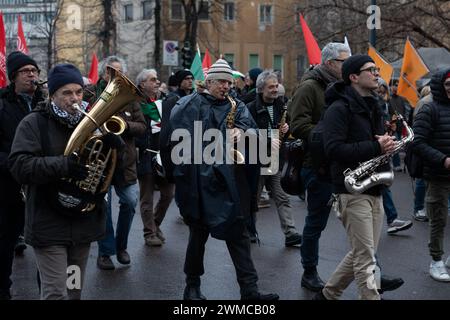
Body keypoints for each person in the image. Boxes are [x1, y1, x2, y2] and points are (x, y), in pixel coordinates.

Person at [166, 59, 279, 300]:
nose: (227, 86)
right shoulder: (188, 105)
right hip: (200, 183)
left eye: (229, 82)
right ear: (208, 82)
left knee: (238, 236)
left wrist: (243, 132)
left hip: (230, 182)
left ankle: (250, 290)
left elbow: (254, 132)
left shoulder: (236, 105)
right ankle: (192, 287)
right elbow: (179, 144)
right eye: (221, 82)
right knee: (198, 237)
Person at [8, 64, 106, 299]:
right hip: (49, 224)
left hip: (82, 223)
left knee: (73, 291)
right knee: (55, 293)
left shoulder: (92, 123)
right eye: (66, 93)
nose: (74, 99)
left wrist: (116, 151)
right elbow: (19, 166)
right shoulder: (34, 123)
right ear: (53, 95)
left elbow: (107, 172)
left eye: (79, 92)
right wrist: (63, 165)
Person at [316, 54, 396, 300]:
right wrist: (376, 147)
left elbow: (374, 144)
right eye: (370, 69)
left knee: (363, 251)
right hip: (351, 191)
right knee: (365, 257)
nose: (376, 73)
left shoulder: (373, 106)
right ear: (353, 77)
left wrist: (387, 143)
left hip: (374, 187)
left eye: (376, 69)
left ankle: (328, 294)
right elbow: (334, 149)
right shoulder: (338, 109)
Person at [288, 42, 350, 292]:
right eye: (344, 62)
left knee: (359, 223)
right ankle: (309, 271)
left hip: (341, 164)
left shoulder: (343, 87)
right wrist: (330, 135)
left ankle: (372, 270)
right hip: (317, 166)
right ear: (330, 63)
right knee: (316, 223)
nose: (348, 67)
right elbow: (297, 125)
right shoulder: (309, 87)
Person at [0, 51, 45, 300]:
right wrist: (18, 164)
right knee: (5, 241)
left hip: (42, 183)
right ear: (14, 76)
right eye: (26, 71)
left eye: (34, 70)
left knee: (48, 244)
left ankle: (49, 291)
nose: (32, 75)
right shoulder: (2, 104)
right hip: (10, 185)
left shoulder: (48, 102)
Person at [95, 56, 146, 270]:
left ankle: (121, 246)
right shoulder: (91, 94)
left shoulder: (131, 98)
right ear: (103, 74)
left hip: (125, 163)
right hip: (101, 161)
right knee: (103, 209)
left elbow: (142, 127)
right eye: (110, 72)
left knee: (130, 203)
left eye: (119, 72)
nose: (114, 76)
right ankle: (106, 252)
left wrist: (125, 125)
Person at [247, 70, 302, 247]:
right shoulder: (250, 108)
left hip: (275, 160)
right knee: (253, 199)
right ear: (260, 88)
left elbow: (284, 134)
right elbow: (247, 134)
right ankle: (249, 231)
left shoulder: (282, 105)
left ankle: (290, 232)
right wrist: (271, 137)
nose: (275, 89)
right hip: (257, 159)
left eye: (276, 85)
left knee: (282, 196)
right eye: (271, 87)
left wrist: (287, 130)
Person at [412, 68, 450, 282]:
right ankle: (436, 261)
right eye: (448, 84)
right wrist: (443, 160)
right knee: (438, 219)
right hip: (437, 176)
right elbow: (417, 143)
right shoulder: (429, 109)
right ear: (439, 86)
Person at [135, 69, 174, 246]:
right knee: (147, 198)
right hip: (146, 155)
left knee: (168, 194)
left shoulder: (165, 101)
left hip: (165, 155)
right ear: (143, 84)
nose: (157, 82)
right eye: (153, 79)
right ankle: (149, 233)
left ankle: (155, 224)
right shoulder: (135, 103)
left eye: (158, 79)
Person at [376, 79, 413, 234]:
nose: (380, 93)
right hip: (370, 153)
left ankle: (392, 219)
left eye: (382, 90)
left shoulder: (386, 102)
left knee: (383, 187)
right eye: (379, 90)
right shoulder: (367, 104)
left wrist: (389, 127)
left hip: (380, 151)